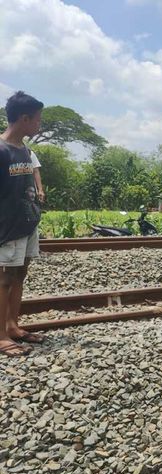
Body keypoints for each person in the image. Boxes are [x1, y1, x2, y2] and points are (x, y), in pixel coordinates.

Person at [0, 91, 45, 356]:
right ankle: (1, 336)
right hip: (7, 226)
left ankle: (12, 325)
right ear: (25, 118)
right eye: (37, 120)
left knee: (19, 274)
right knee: (4, 278)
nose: (39, 124)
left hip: (27, 223)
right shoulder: (2, 150)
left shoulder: (26, 151)